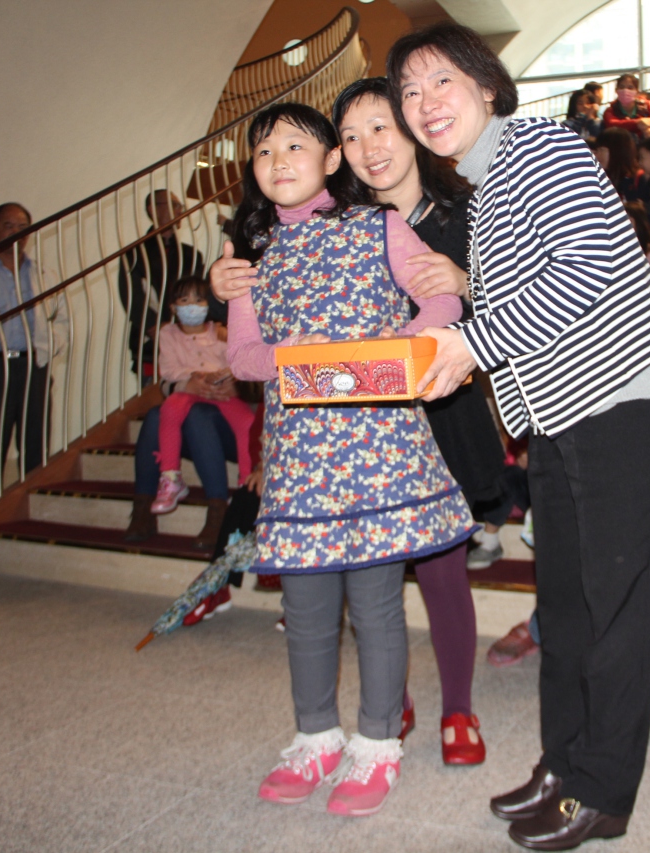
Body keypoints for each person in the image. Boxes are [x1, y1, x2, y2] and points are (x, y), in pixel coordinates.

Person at [389, 23, 650, 849]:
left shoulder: (539, 145)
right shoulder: (488, 182)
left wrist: (472, 342)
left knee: (617, 611)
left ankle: (602, 790)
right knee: (565, 607)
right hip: (563, 417)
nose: (425, 103)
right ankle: (563, 763)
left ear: (487, 85)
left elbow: (587, 268)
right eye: (410, 92)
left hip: (626, 399)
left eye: (441, 81)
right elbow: (532, 290)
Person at [211, 102, 475, 817]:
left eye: (296, 146)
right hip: (300, 458)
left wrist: (397, 352)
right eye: (264, 152)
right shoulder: (251, 256)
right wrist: (298, 359)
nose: (279, 162)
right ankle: (315, 736)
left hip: (378, 451)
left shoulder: (378, 226)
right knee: (305, 608)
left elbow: (441, 303)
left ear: (332, 160)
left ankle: (377, 744)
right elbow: (242, 356)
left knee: (377, 606)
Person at [332, 77, 510, 766]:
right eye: (350, 137)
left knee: (441, 571)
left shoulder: (470, 210)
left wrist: (466, 282)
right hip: (367, 423)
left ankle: (458, 708)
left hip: (445, 414)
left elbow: (522, 303)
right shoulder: (342, 228)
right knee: (371, 576)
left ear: (410, 130)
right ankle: (390, 696)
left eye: (380, 127)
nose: (368, 147)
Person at [148, 274, 254, 558]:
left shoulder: (219, 331)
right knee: (169, 408)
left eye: (199, 300)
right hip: (190, 390)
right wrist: (194, 377)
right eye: (185, 301)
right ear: (173, 307)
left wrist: (229, 378)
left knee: (247, 422)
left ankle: (246, 483)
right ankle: (170, 476)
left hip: (222, 392)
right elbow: (169, 371)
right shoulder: (168, 334)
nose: (192, 307)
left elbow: (238, 360)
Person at [0, 202, 69, 501]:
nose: (16, 233)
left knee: (35, 440)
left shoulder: (44, 273)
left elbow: (61, 318)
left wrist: (50, 347)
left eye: (23, 227)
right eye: (8, 226)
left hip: (34, 365)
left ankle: (33, 502)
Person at [117, 190, 210, 378]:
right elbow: (132, 296)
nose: (180, 210)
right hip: (150, 344)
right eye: (174, 205)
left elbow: (199, 295)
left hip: (188, 340)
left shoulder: (191, 255)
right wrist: (156, 326)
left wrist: (182, 326)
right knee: (153, 393)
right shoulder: (135, 253)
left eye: (180, 206)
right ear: (153, 209)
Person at [601, 73, 650, 142]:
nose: (625, 90)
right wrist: (638, 123)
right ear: (616, 90)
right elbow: (612, 125)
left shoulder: (648, 105)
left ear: (637, 91)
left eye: (630, 88)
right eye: (621, 87)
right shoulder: (610, 110)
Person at [594, 127, 649, 204]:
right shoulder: (599, 178)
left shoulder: (639, 179)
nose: (597, 155)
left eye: (602, 150)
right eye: (597, 150)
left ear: (617, 151)